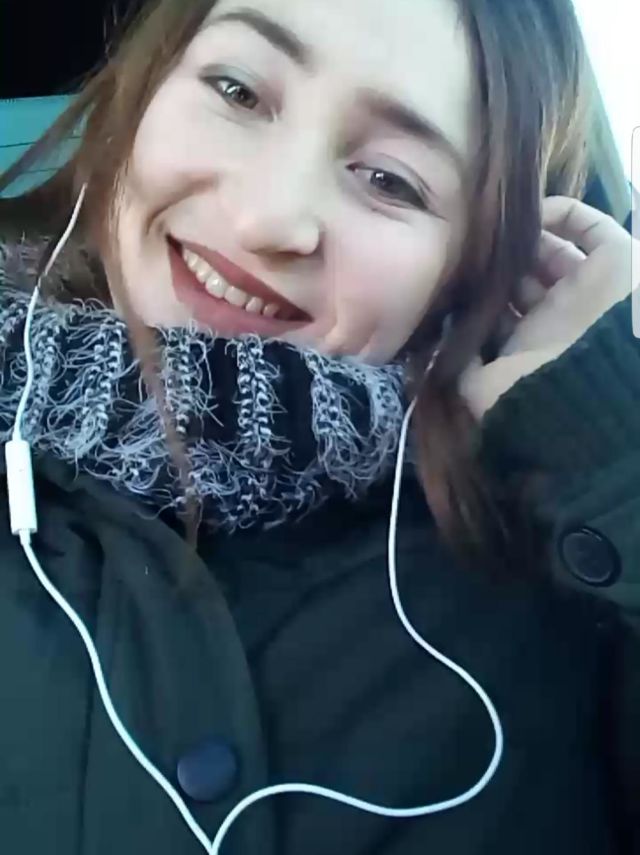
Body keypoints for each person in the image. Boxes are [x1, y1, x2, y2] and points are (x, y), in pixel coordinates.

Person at [0, 0, 638, 852]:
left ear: (475, 268)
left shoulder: (562, 571)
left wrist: (615, 439)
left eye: (390, 180)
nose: (270, 219)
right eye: (237, 90)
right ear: (142, 91)